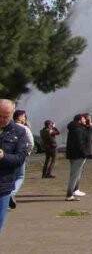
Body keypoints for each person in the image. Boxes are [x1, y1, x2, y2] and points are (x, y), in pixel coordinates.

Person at [0, 99, 29, 233]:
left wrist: (3, 156)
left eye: (5, 116)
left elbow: (20, 158)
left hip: (3, 187)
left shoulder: (19, 132)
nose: (1, 119)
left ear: (12, 114)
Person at [65, 113, 92, 201]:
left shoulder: (75, 127)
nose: (85, 120)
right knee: (74, 175)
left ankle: (74, 190)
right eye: (83, 119)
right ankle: (69, 195)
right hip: (78, 155)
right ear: (79, 120)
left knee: (76, 173)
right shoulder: (78, 129)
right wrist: (91, 129)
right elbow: (85, 140)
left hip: (74, 154)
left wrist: (88, 127)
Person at [8, 110, 33, 209]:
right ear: (21, 117)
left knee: (11, 175)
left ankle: (7, 195)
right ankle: (10, 194)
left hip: (8, 155)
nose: (25, 117)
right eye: (24, 116)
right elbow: (31, 143)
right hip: (20, 155)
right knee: (20, 176)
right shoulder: (24, 128)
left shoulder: (9, 126)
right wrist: (27, 153)